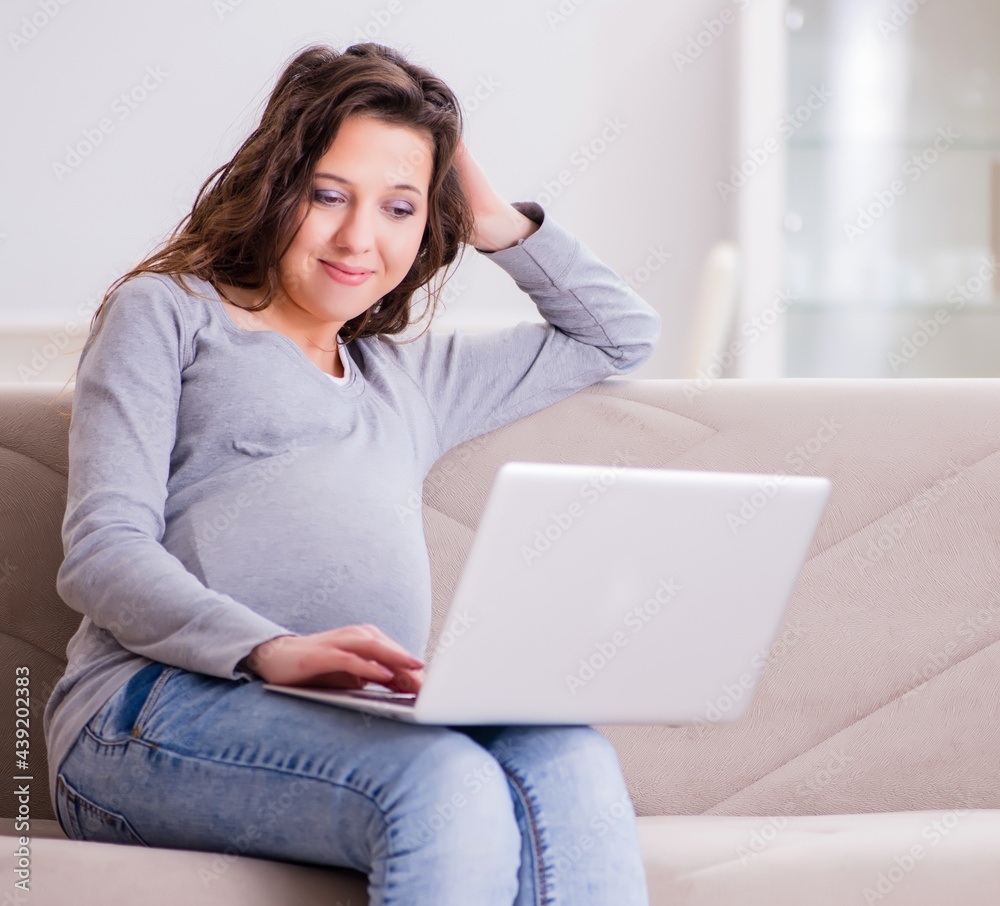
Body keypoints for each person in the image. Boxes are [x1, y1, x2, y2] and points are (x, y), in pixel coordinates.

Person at [42, 41, 661, 905]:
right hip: (148, 715)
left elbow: (617, 335)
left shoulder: (405, 380)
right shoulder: (171, 315)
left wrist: (483, 211)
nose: (358, 238)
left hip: (361, 724)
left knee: (571, 754)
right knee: (446, 783)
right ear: (275, 182)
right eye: (328, 194)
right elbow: (102, 552)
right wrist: (269, 652)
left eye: (400, 208)